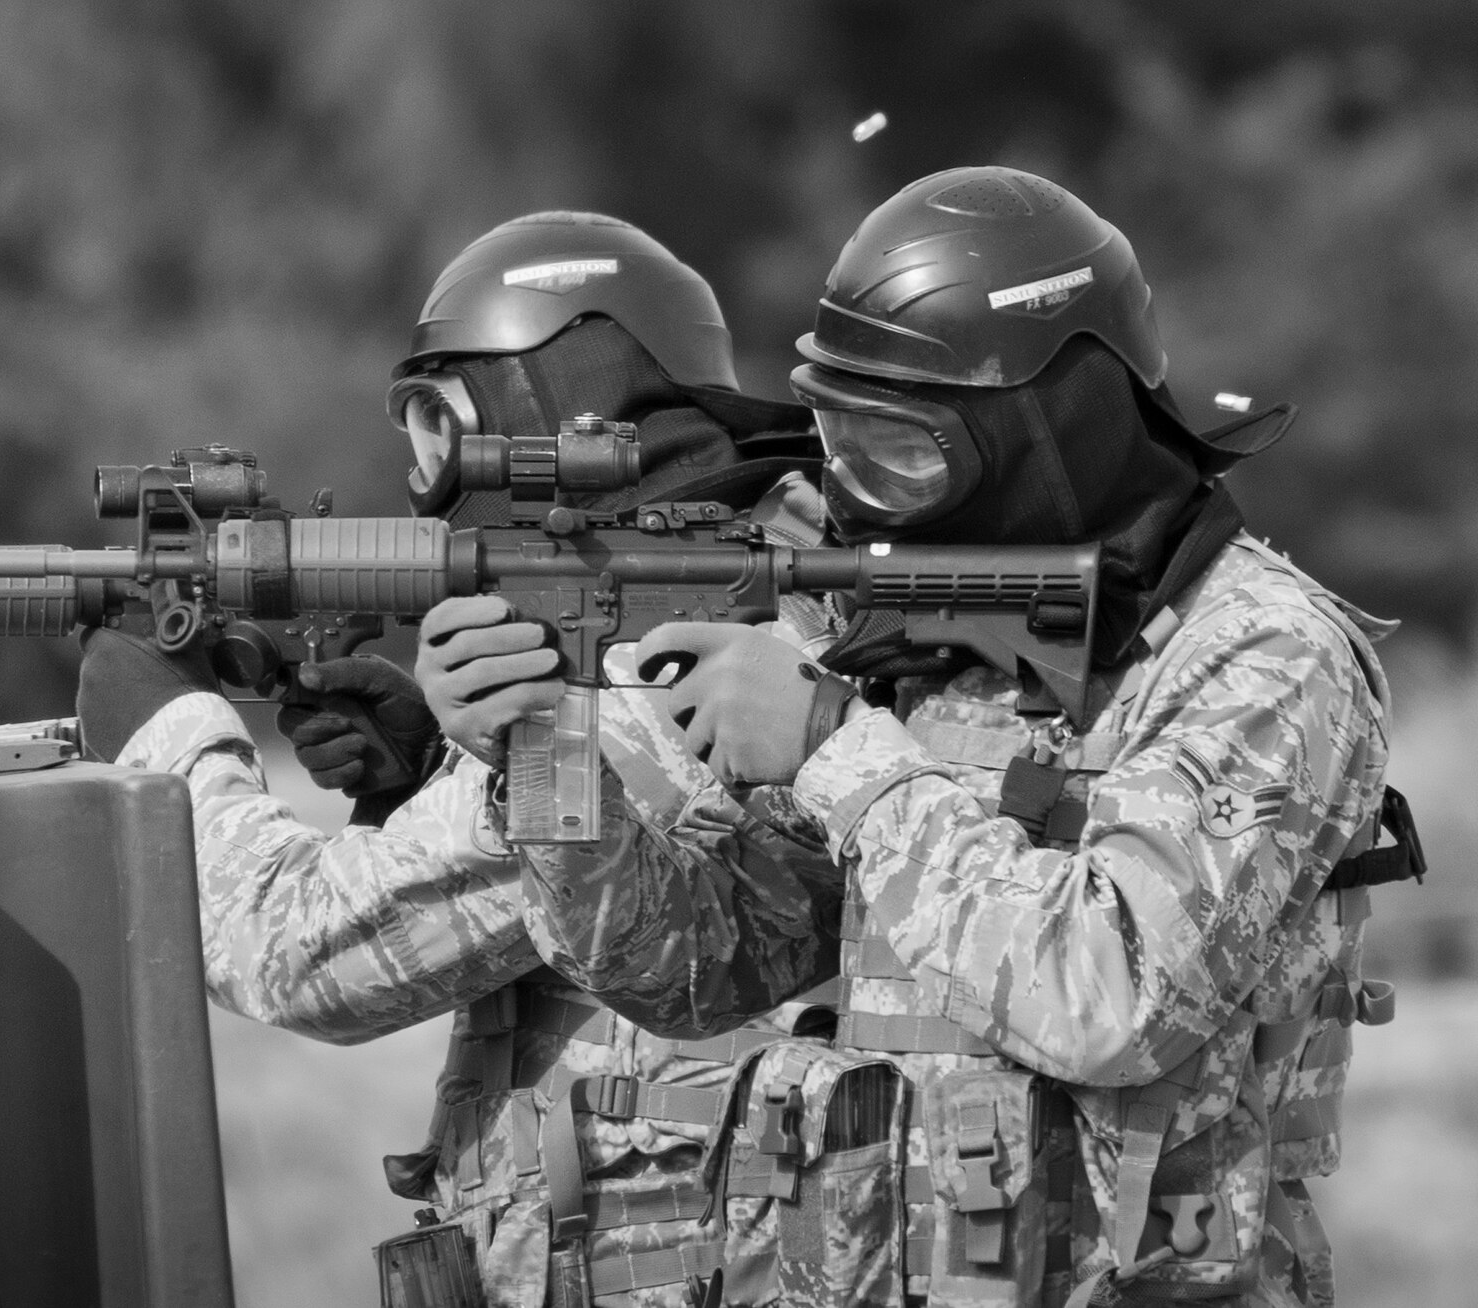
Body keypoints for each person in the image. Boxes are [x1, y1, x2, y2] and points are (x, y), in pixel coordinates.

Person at [481, 170, 1419, 1307]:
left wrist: (830, 743)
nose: (861, 494)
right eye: (840, 443)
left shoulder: (1262, 654)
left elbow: (1109, 1002)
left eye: (902, 451)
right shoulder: (930, 641)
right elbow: (701, 970)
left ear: (1045, 426)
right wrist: (539, 745)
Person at [75, 211, 845, 1307]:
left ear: (555, 400)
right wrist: (427, 769)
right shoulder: (764, 588)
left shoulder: (673, 659)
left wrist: (166, 727)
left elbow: (294, 954)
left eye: (440, 421)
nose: (426, 471)